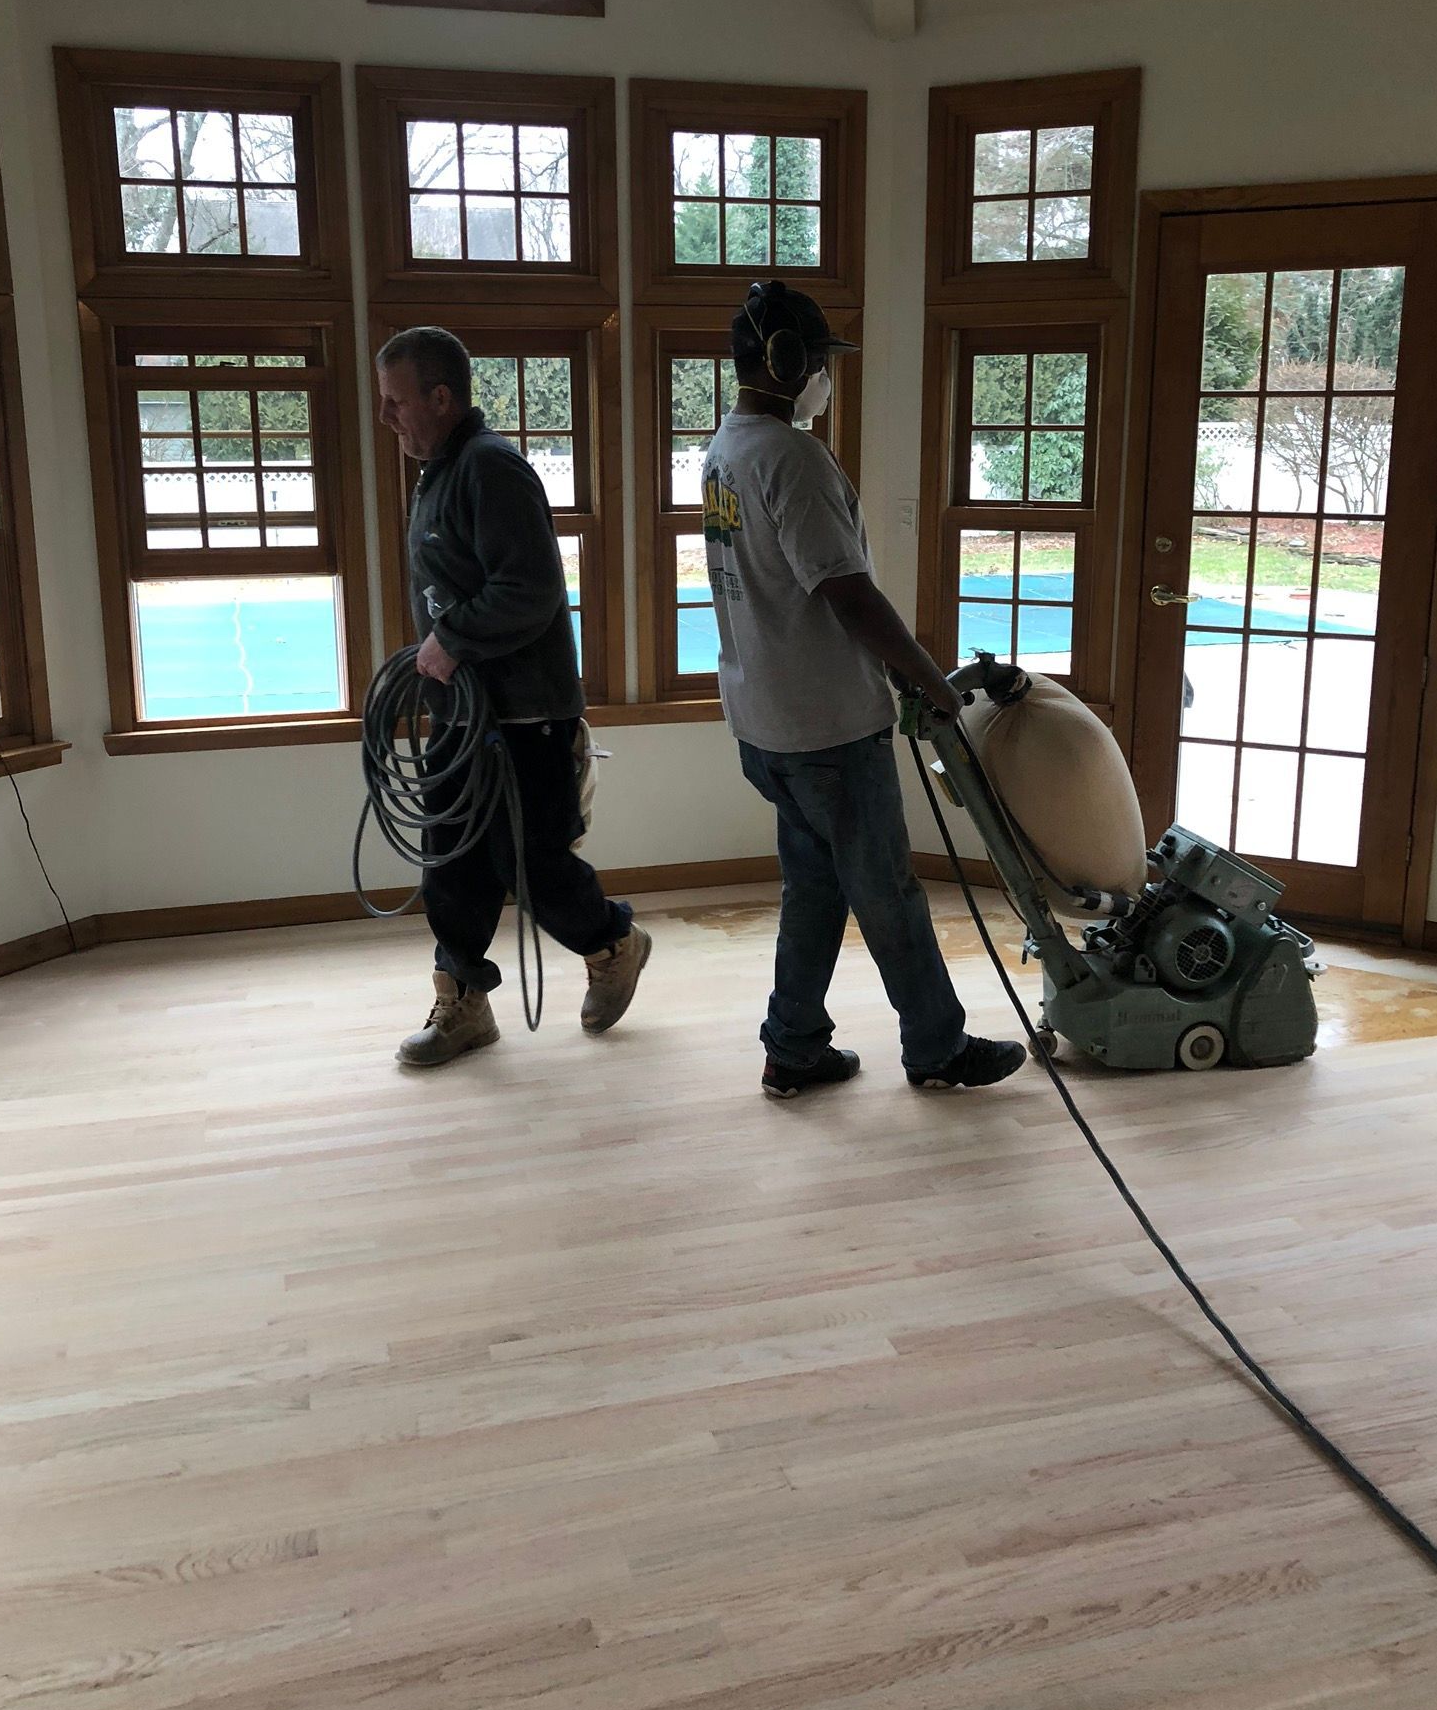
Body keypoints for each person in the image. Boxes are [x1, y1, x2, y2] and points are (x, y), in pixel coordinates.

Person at [702, 280, 1026, 1099]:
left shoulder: (724, 449)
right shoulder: (791, 458)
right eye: (822, 361)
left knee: (815, 890)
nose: (827, 377)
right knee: (888, 894)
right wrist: (927, 681)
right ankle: (938, 1049)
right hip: (827, 728)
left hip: (764, 724)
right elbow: (846, 592)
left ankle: (794, 1048)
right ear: (788, 361)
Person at [376, 326, 649, 1065]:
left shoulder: (491, 469)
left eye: (397, 402)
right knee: (449, 863)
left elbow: (529, 590)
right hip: (464, 716)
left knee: (531, 864)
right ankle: (463, 1001)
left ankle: (612, 943)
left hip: (526, 717)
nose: (387, 417)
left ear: (441, 397)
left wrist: (451, 639)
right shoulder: (439, 472)